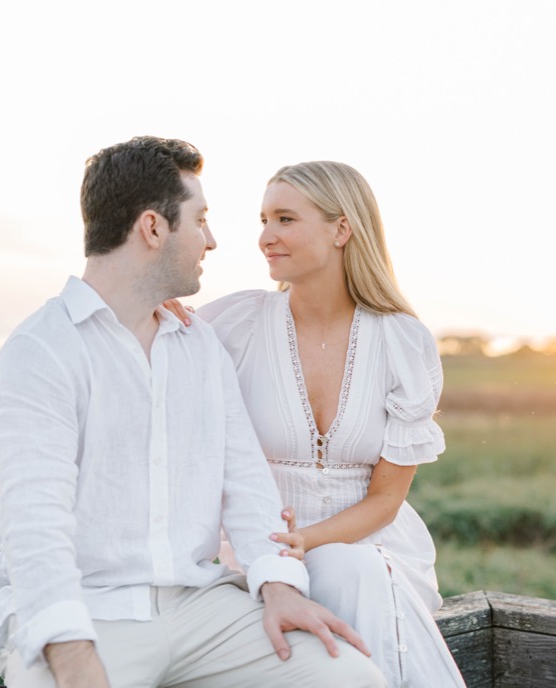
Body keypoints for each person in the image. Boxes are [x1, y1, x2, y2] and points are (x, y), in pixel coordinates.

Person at [0, 137, 385, 688]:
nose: (212, 240)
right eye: (200, 220)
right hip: (87, 613)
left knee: (353, 680)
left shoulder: (199, 344)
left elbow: (247, 485)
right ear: (153, 228)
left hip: (203, 609)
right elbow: (34, 525)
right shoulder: (41, 350)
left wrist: (280, 586)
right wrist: (74, 661)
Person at [172, 161, 466, 688]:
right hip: (259, 552)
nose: (265, 237)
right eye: (263, 220)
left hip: (370, 548)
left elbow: (385, 501)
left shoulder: (403, 341)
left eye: (285, 219)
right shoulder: (232, 324)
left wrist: (304, 541)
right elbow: (152, 343)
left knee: (354, 571)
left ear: (341, 228)